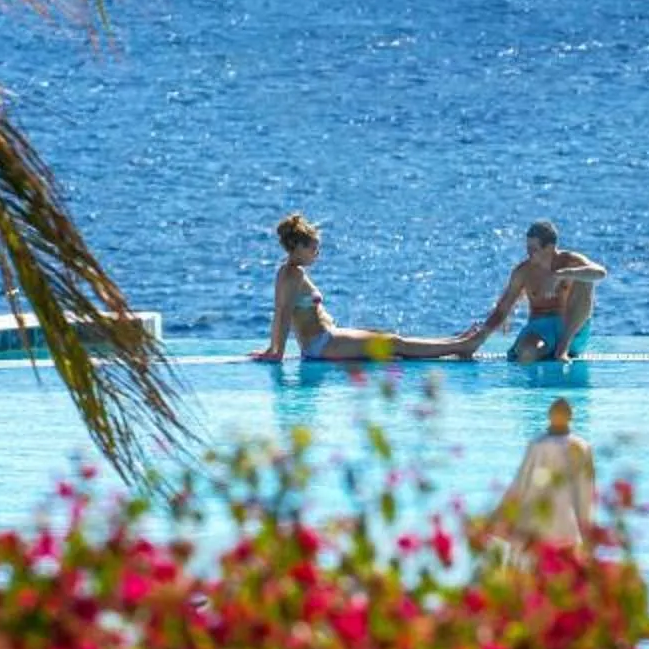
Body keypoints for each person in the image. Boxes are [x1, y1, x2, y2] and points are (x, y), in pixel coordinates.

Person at [247, 213, 489, 363]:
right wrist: (275, 351)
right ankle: (461, 346)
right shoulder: (292, 274)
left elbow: (283, 312)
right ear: (298, 247)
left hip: (325, 340)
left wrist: (274, 348)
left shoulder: (289, 272)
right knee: (393, 343)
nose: (317, 254)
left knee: (392, 338)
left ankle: (455, 341)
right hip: (321, 344)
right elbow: (282, 313)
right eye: (313, 249)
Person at [468, 220, 608, 361]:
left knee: (585, 277)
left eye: (534, 249)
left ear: (550, 248)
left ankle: (562, 348)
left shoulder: (570, 261)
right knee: (527, 353)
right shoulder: (523, 271)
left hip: (571, 331)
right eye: (527, 248)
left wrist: (561, 274)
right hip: (540, 331)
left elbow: (600, 273)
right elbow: (502, 309)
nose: (529, 253)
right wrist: (479, 337)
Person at [483, 396, 598, 554]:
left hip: (536, 521)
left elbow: (522, 482)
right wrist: (587, 530)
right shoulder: (582, 447)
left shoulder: (538, 444)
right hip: (568, 526)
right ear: (570, 416)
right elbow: (586, 493)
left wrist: (500, 518)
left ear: (549, 416)